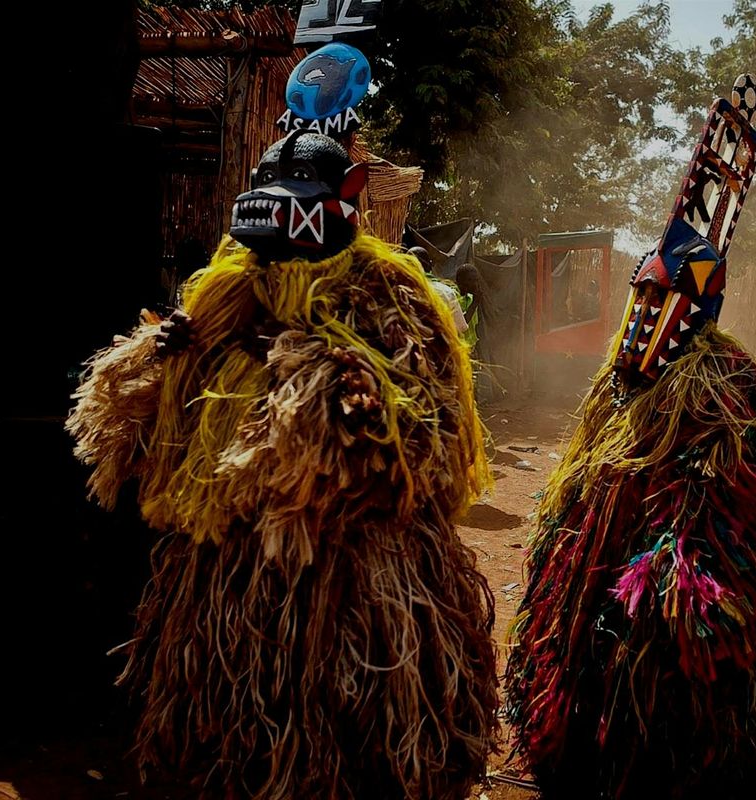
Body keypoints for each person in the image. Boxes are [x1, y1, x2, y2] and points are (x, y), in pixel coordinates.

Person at [67, 132, 498, 799]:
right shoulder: (229, 291)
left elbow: (426, 424)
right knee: (236, 727)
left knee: (353, 723)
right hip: (234, 554)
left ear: (346, 203)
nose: (285, 252)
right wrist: (164, 351)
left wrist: (319, 372)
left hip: (356, 563)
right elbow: (138, 419)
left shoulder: (392, 292)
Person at [505, 75, 756, 799]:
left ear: (694, 304)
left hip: (671, 587)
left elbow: (736, 494)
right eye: (640, 295)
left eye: (659, 297)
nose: (642, 311)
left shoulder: (727, 381)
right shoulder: (617, 378)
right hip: (598, 559)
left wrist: (680, 551)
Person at [408, 244, 471, 338]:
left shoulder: (398, 292)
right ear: (430, 265)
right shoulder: (446, 292)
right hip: (439, 348)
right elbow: (461, 327)